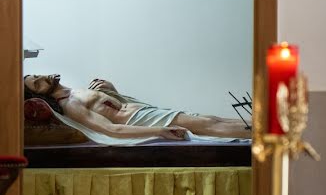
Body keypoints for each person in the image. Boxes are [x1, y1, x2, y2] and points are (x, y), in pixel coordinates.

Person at [24, 74, 251, 140]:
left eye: (36, 75)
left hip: (144, 112)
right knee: (209, 125)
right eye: (37, 83)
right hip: (141, 121)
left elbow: (113, 105)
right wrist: (158, 131)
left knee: (209, 119)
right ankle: (265, 132)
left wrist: (112, 90)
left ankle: (263, 126)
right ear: (39, 94)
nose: (42, 77)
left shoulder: (76, 91)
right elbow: (111, 129)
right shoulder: (71, 104)